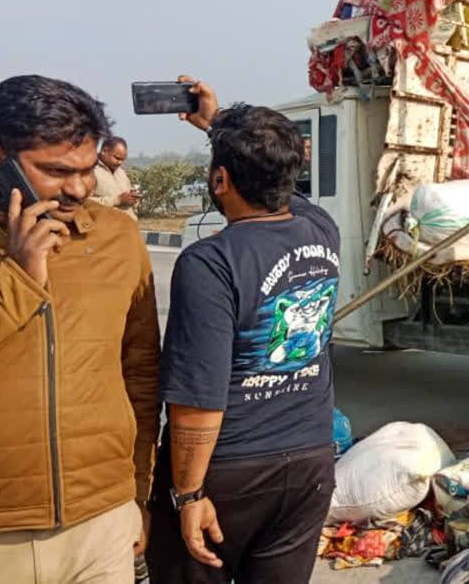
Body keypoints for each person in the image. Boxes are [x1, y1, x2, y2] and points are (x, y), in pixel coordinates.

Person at [0, 75, 160, 582]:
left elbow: (139, 371)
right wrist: (20, 277)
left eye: (87, 169)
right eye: (55, 171)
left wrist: (137, 493)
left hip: (101, 525)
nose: (77, 188)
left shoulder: (117, 238)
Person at [146, 77, 340, 583]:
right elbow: (276, 183)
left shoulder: (209, 263)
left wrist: (187, 495)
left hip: (229, 471)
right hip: (310, 464)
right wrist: (218, 130)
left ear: (219, 181)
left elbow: (198, 397)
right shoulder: (321, 230)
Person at [91, 135, 141, 220]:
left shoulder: (121, 173)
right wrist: (117, 200)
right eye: (117, 158)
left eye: (122, 160)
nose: (120, 163)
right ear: (104, 151)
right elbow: (83, 204)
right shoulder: (90, 171)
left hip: (128, 228)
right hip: (105, 230)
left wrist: (134, 199)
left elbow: (128, 197)